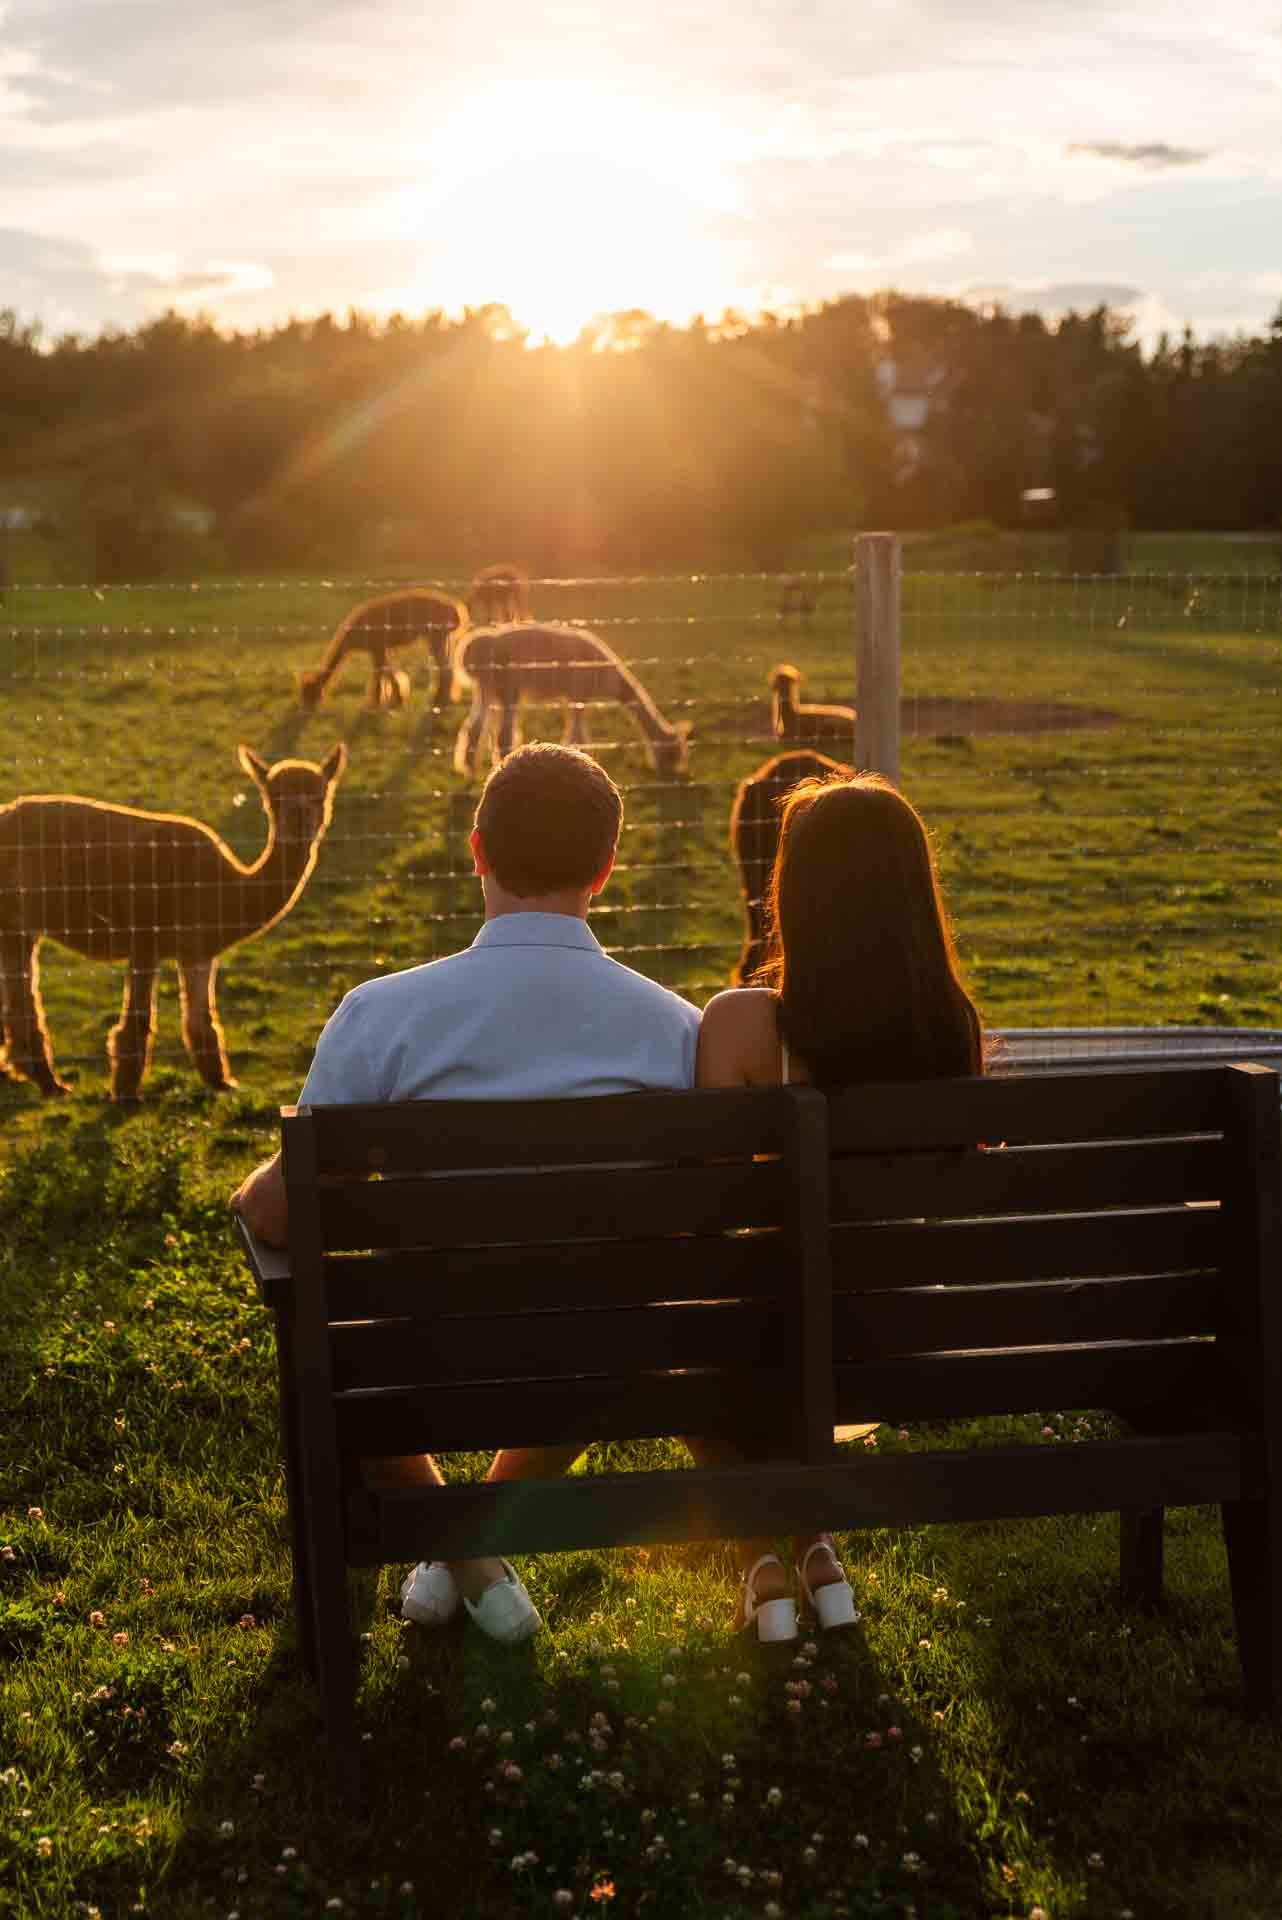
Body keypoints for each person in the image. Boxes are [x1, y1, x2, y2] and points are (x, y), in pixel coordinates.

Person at [231, 743, 700, 1645]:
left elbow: (282, 1212)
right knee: (599, 1323)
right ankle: (474, 1547)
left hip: (416, 1367)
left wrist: (254, 1193)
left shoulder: (383, 1016)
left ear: (476, 850)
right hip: (604, 1365)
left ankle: (461, 1552)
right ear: (607, 869)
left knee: (332, 1333)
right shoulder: (673, 1031)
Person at [695, 772, 984, 1641]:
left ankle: (766, 1559)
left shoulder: (743, 1027)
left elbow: (708, 1204)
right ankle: (815, 1548)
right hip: (900, 1341)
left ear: (792, 891)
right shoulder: (952, 1029)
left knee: (697, 1321)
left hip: (770, 1347)